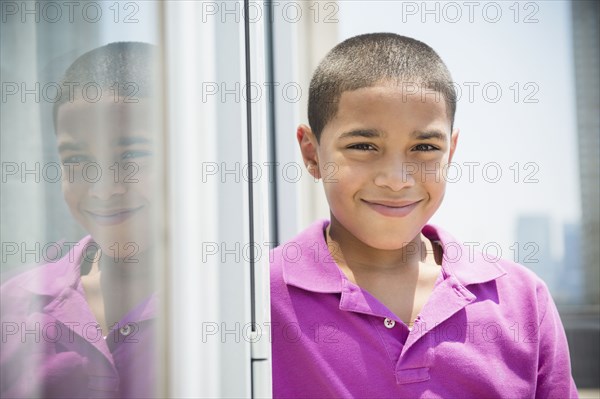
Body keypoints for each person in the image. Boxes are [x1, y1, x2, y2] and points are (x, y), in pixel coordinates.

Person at [269, 33, 578, 398]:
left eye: (424, 147)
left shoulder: (522, 299)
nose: (397, 180)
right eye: (363, 146)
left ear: (451, 150)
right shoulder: (262, 296)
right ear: (311, 153)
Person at [1, 42, 161, 398]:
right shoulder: (14, 305)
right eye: (75, 160)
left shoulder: (238, 304)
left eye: (131, 155)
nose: (102, 189)